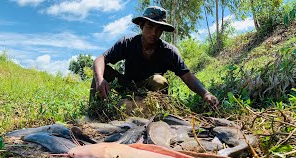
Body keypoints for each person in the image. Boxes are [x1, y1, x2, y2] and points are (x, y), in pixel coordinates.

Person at [91, 6, 219, 107]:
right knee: (101, 71)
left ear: (162, 31)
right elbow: (100, 59)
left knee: (159, 80)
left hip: (150, 95)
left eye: (158, 29)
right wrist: (100, 80)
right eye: (150, 27)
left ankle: (152, 113)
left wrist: (205, 93)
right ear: (141, 26)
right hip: (127, 86)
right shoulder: (127, 43)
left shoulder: (169, 51)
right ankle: (94, 111)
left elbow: (188, 76)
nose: (154, 32)